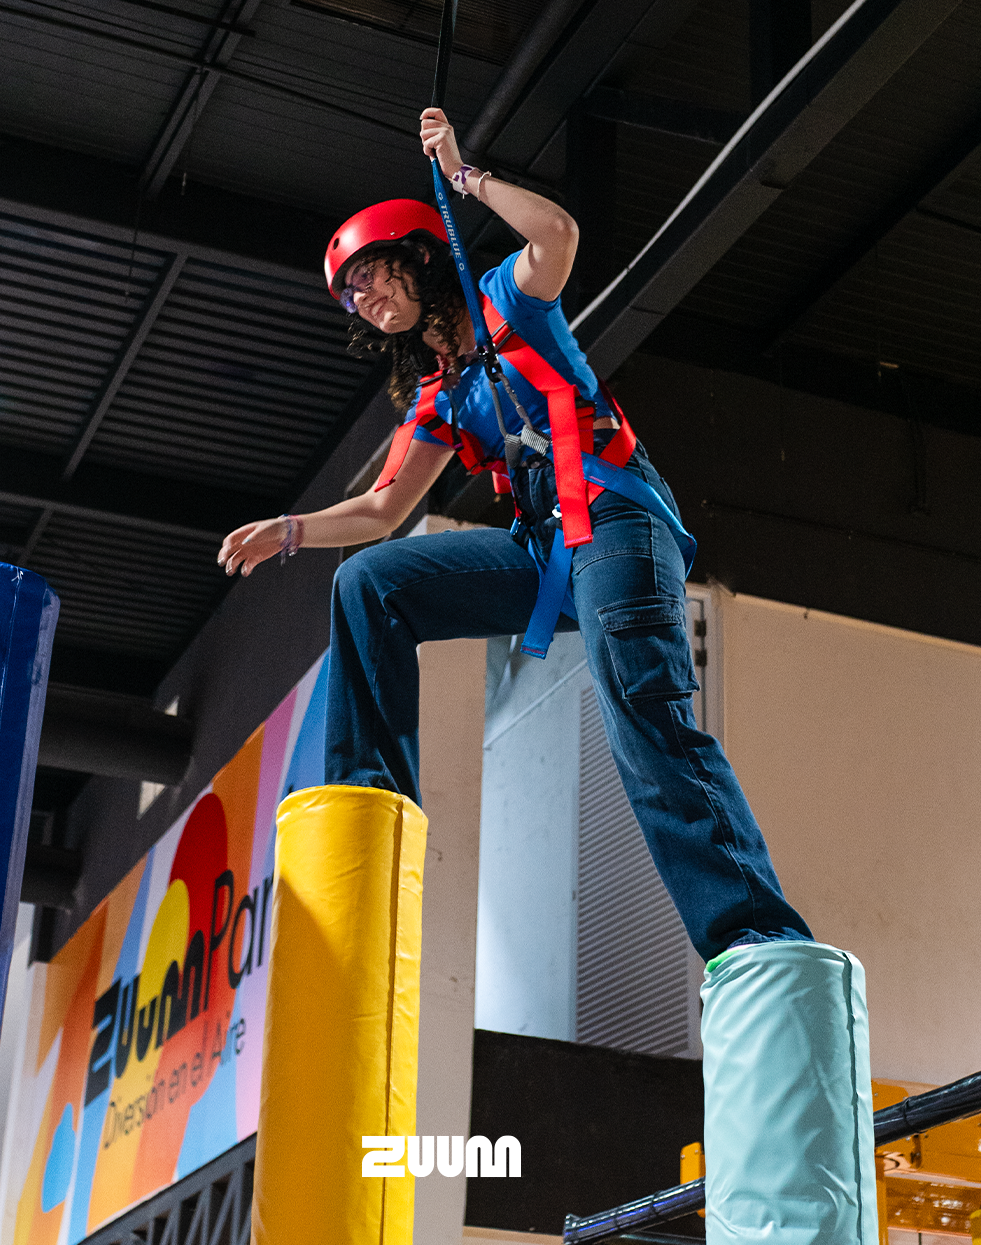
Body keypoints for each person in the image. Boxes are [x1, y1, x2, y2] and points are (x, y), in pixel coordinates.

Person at [218, 107, 811, 963]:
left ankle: (756, 937)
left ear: (422, 257)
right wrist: (291, 530)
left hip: (614, 521)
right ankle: (367, 807)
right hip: (546, 552)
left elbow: (558, 234)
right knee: (368, 582)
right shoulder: (438, 395)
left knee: (641, 715)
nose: (367, 299)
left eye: (374, 275)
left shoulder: (510, 298)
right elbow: (383, 511)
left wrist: (464, 174)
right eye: (353, 295)